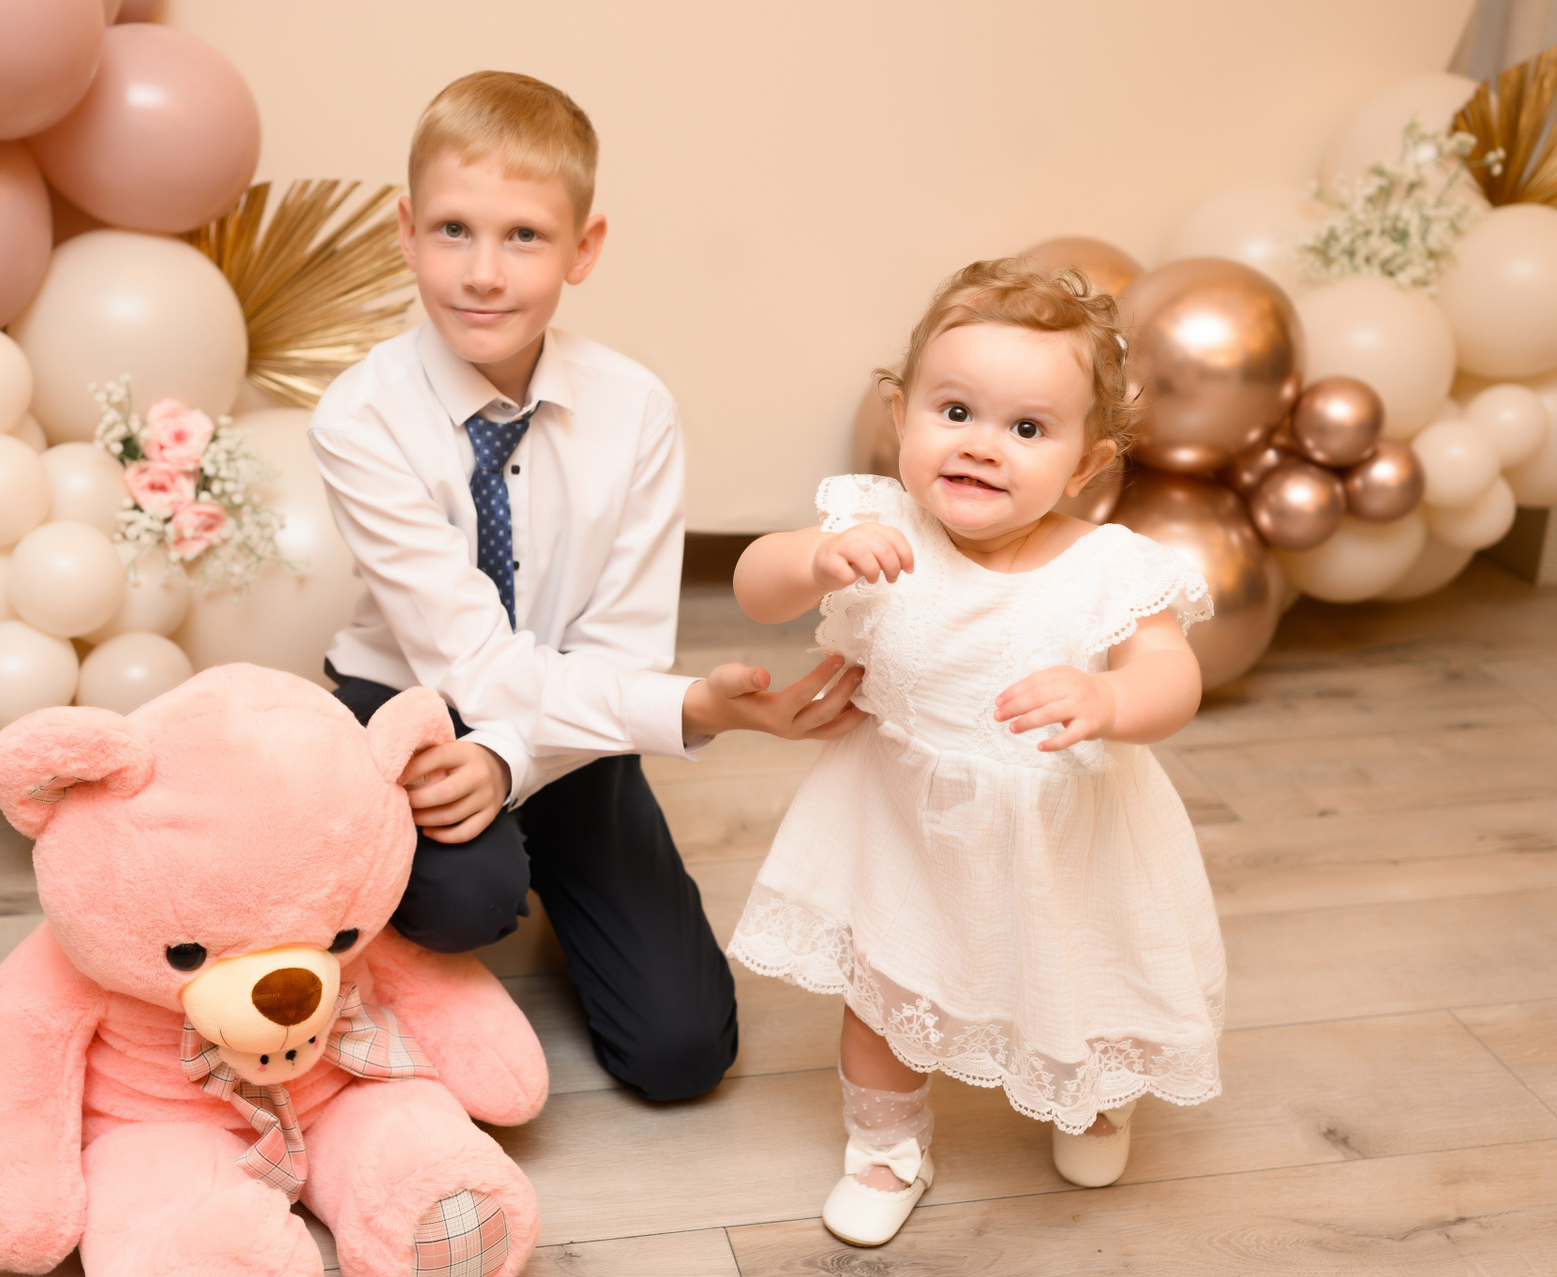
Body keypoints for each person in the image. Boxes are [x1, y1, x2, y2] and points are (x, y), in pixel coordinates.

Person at [309, 71, 865, 1103]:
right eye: (453, 230)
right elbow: (467, 660)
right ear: (407, 233)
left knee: (681, 1053)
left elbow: (623, 648)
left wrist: (511, 759)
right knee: (468, 895)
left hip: (576, 711)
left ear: (584, 248)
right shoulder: (360, 417)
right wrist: (693, 710)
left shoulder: (635, 408)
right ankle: (402, 924)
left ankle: (553, 857)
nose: (483, 272)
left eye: (524, 236)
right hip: (411, 697)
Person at [727, 259, 1227, 1247]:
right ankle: (886, 1145)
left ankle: (1092, 1099)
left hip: (1062, 835)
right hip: (901, 823)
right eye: (955, 411)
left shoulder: (1108, 566)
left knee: (1082, 976)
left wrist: (1112, 696)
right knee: (885, 992)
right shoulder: (877, 527)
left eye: (1028, 428)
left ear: (1084, 464)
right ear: (901, 414)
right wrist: (813, 560)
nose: (982, 445)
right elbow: (754, 585)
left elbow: (1174, 675)